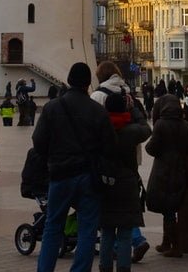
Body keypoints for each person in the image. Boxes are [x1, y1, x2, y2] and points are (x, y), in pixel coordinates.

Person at [32, 61, 116, 272]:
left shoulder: (52, 108)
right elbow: (110, 146)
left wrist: (52, 157)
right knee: (87, 229)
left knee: (53, 226)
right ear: (88, 83)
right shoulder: (97, 111)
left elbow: (38, 142)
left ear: (69, 81)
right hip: (88, 176)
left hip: (60, 175)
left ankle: (45, 269)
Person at [91, 60, 150, 263]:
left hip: (105, 168)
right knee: (125, 215)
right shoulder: (129, 95)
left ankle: (108, 261)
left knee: (107, 225)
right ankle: (134, 242)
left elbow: (90, 128)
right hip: (129, 163)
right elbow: (145, 128)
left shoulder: (97, 96)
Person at [99, 92, 151, 272]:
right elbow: (147, 128)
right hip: (127, 183)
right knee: (125, 232)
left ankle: (105, 267)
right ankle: (123, 267)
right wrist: (134, 109)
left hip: (105, 183)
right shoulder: (131, 131)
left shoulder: (100, 130)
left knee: (106, 231)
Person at [145, 93, 188, 259]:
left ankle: (176, 246)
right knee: (171, 206)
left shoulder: (161, 124)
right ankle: (166, 242)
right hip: (180, 169)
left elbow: (151, 149)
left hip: (163, 171)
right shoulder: (186, 125)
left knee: (167, 209)